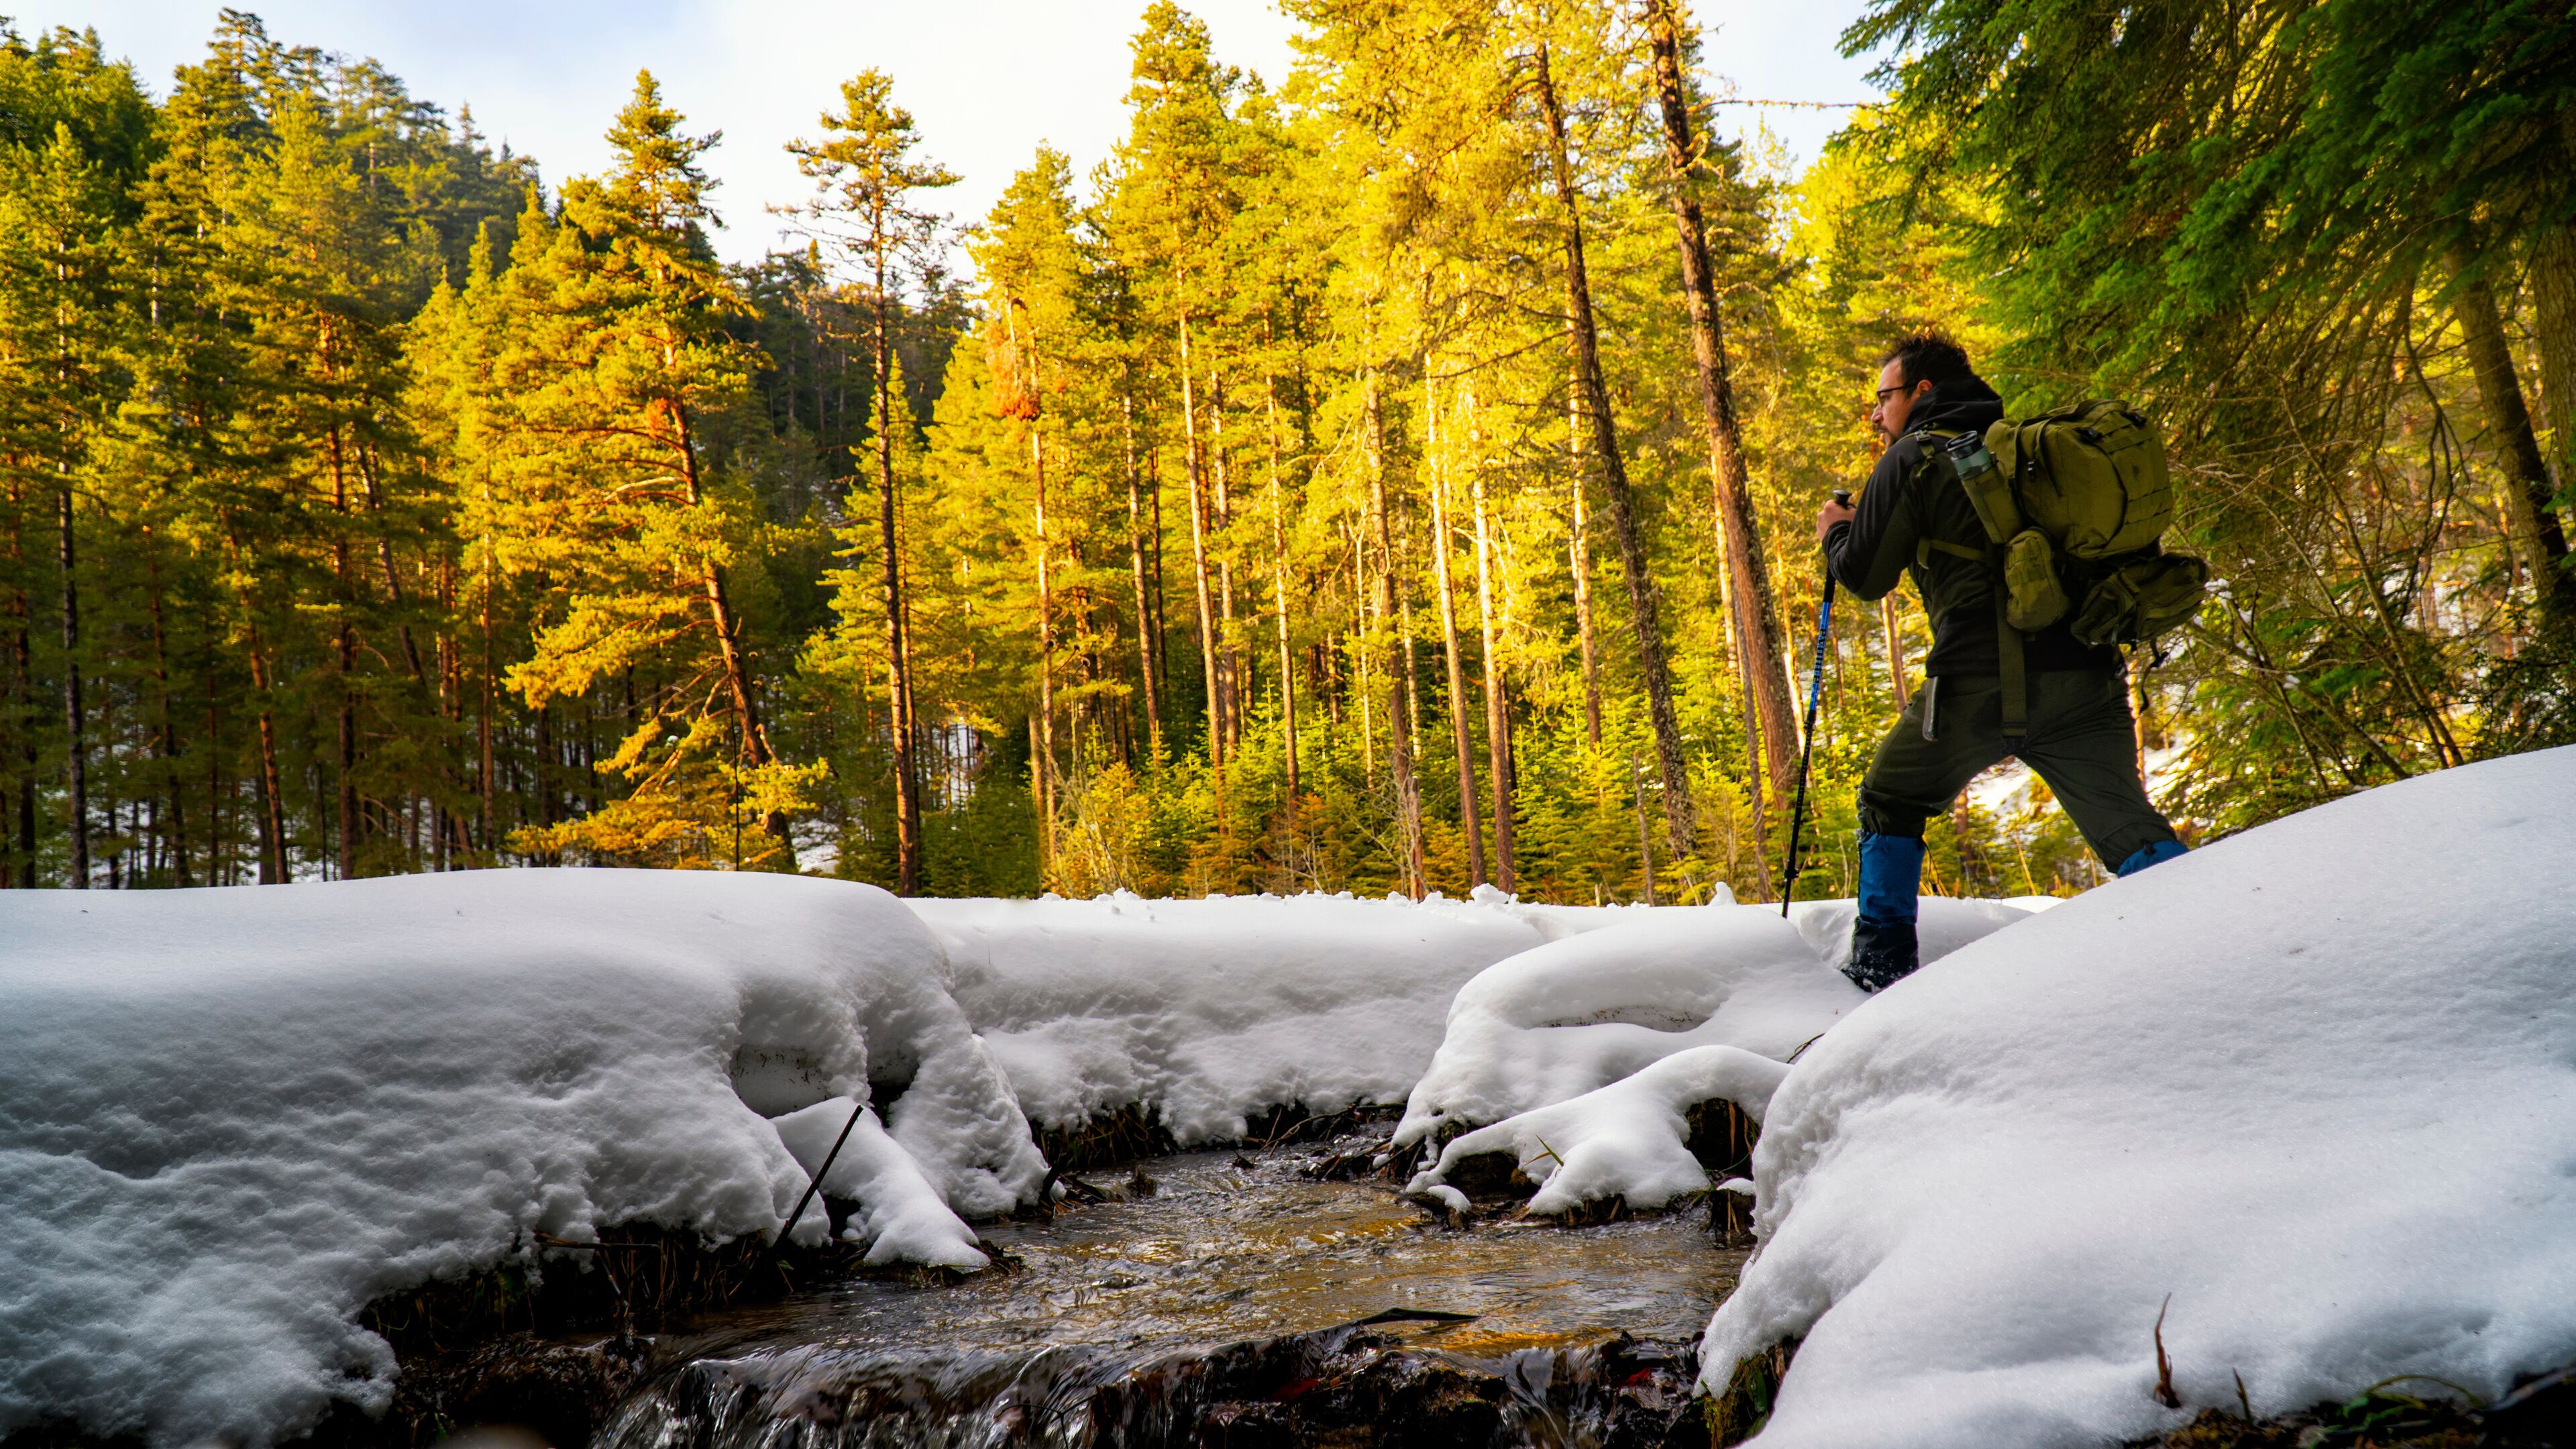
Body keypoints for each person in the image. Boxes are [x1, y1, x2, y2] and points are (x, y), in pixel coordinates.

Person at [1816, 333, 2186, 991]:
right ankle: (2214, 936)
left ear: (1922, 392)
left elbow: (1865, 576)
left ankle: (1880, 968)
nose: (1876, 414)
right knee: (2129, 830)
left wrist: (1835, 533)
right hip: (2084, 680)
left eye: (1884, 397)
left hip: (1972, 687)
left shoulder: (1912, 461)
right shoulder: (2032, 453)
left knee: (1890, 798)